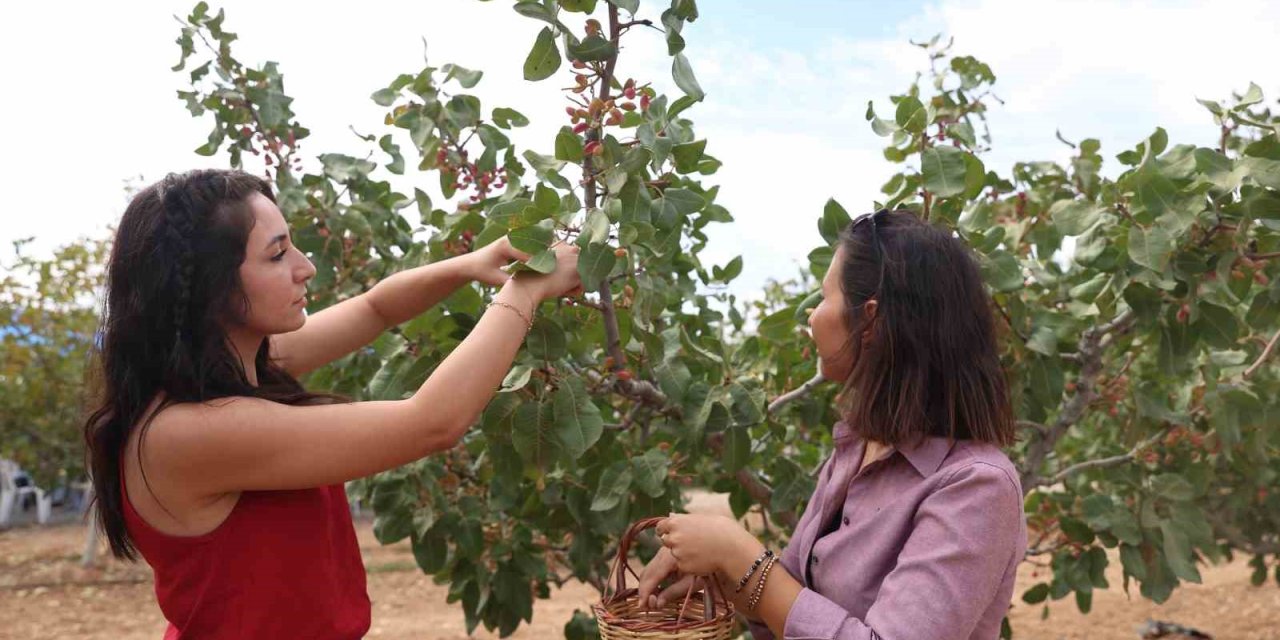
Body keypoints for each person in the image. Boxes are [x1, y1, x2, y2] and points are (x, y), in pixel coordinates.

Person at [81, 168, 581, 639]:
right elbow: (432, 423)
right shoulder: (189, 431)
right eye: (277, 255)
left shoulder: (237, 366)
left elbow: (375, 308)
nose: (306, 267)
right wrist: (526, 292)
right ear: (211, 288)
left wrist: (470, 265)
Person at [637, 209, 1028, 640]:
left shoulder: (977, 487)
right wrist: (721, 572)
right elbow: (794, 604)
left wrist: (738, 554)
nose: (811, 315)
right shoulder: (858, 449)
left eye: (825, 297)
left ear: (871, 321)